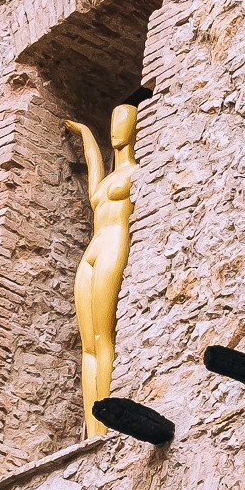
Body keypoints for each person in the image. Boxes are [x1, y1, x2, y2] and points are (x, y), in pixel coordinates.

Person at [65, 105, 140, 436]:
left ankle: (106, 425)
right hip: (93, 251)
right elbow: (95, 177)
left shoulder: (139, 172)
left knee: (103, 335)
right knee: (88, 346)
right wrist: (85, 134)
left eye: (123, 122)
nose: (116, 130)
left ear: (136, 126)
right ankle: (93, 429)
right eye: (112, 122)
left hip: (115, 244)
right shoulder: (110, 178)